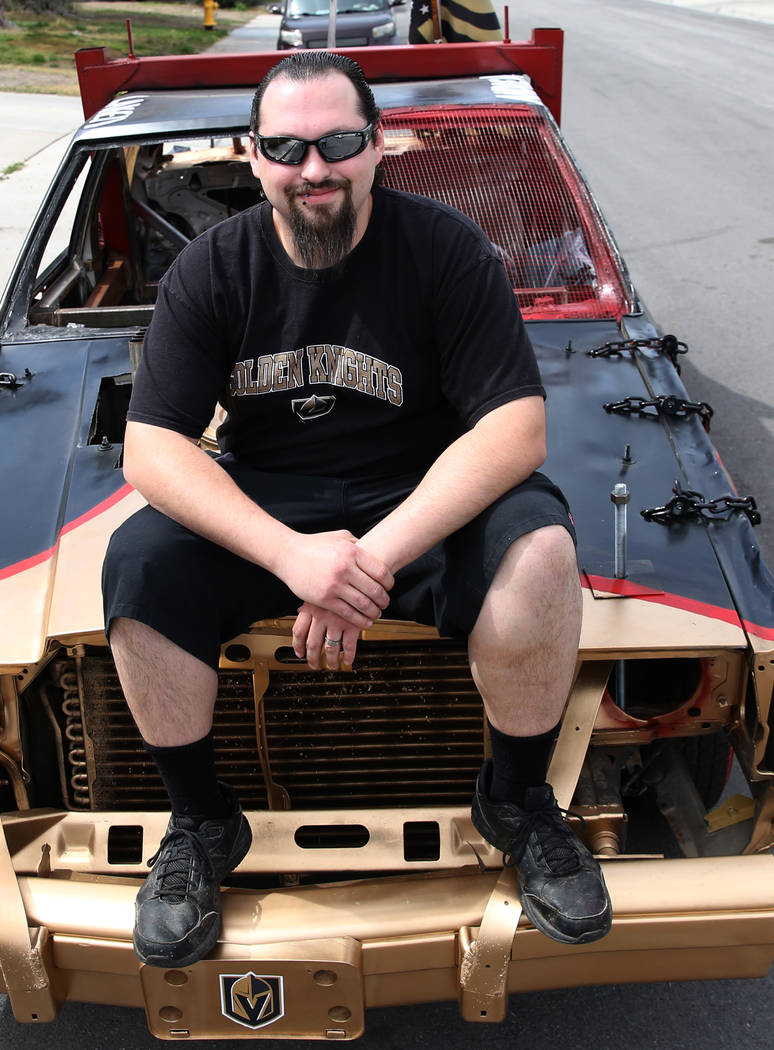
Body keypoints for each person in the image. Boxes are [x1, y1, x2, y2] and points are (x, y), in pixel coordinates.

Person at [102, 50, 612, 969]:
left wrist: (364, 561)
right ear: (249, 157)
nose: (313, 170)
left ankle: (519, 801)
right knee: (139, 567)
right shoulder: (212, 270)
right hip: (272, 500)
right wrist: (296, 558)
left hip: (421, 495)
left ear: (378, 146)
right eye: (287, 148)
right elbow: (152, 447)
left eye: (338, 142)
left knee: (540, 549)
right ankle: (201, 824)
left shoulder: (445, 249)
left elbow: (517, 429)